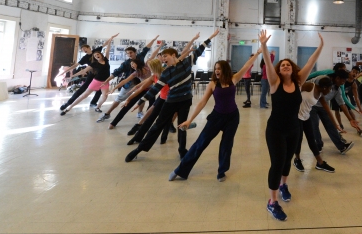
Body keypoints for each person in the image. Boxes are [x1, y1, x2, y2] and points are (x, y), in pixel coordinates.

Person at [168, 50, 262, 181]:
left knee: (226, 145)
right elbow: (202, 102)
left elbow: (246, 66)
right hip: (216, 117)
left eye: (219, 68)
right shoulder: (213, 84)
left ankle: (222, 171)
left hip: (232, 118)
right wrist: (189, 120)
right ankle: (181, 170)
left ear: (224, 69)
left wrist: (258, 53)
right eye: (215, 68)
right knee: (200, 143)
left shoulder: (233, 79)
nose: (216, 70)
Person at [125, 30, 219, 163]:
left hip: (185, 100)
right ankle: (139, 149)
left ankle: (182, 150)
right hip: (171, 101)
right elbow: (155, 89)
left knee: (182, 126)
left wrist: (210, 37)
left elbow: (200, 48)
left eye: (165, 56)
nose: (163, 59)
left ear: (173, 55)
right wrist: (141, 101)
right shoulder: (166, 72)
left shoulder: (187, 62)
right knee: (158, 125)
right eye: (162, 57)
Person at [260, 30, 323, 222]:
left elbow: (310, 63)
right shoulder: (274, 82)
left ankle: (283, 185)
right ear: (279, 70)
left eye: (289, 64)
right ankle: (272, 203)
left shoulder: (298, 81)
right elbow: (269, 64)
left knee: (288, 161)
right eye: (283, 65)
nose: (286, 66)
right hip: (275, 130)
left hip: (294, 129)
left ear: (292, 69)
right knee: (277, 163)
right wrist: (263, 45)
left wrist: (320, 47)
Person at [60, 36, 116, 116]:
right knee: (83, 90)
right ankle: (68, 104)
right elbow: (80, 67)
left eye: (84, 49)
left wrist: (110, 39)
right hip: (94, 76)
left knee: (101, 93)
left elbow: (106, 47)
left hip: (104, 79)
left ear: (89, 48)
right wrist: (68, 72)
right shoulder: (87, 59)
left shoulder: (100, 54)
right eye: (82, 50)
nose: (84, 51)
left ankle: (94, 104)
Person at [292, 76, 335, 174]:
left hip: (306, 116)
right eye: (329, 88)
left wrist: (336, 125)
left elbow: (327, 109)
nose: (330, 91)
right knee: (298, 139)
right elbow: (295, 89)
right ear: (324, 87)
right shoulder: (310, 86)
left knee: (312, 139)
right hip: (296, 116)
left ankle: (320, 163)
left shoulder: (320, 94)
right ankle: (297, 159)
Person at [102, 35, 159, 108]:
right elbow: (116, 73)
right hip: (130, 82)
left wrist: (153, 40)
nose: (129, 55)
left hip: (142, 80)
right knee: (120, 98)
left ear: (135, 52)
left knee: (142, 97)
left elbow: (146, 48)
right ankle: (107, 113)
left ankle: (140, 112)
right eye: (128, 53)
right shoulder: (126, 64)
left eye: (131, 52)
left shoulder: (140, 57)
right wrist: (107, 81)